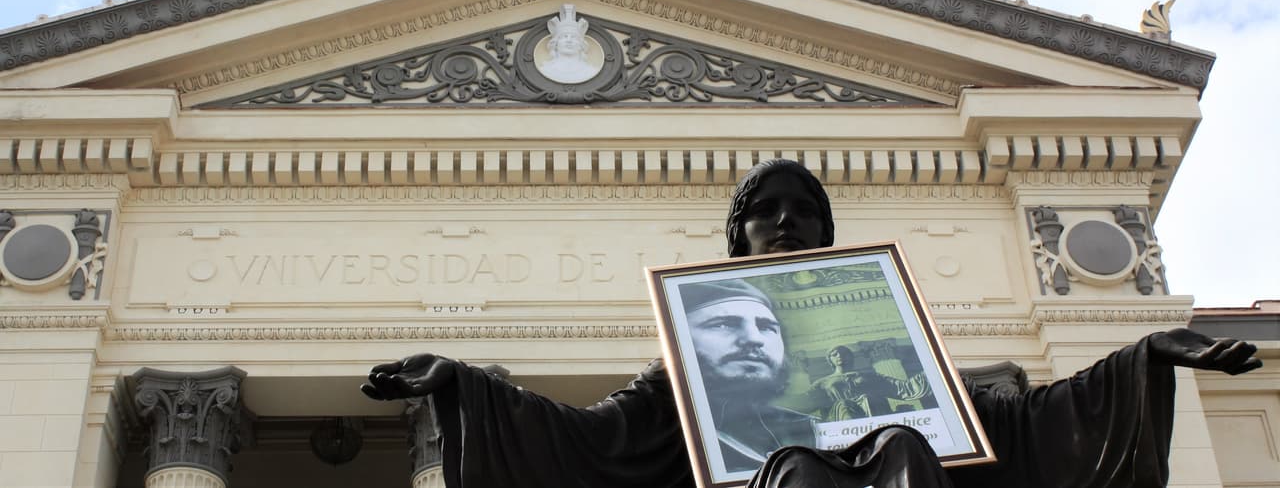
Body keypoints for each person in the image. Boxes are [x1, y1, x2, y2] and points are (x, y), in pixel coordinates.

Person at [363, 159, 1262, 488]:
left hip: (897, 468)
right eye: (767, 213)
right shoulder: (689, 369)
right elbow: (591, 442)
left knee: (908, 449)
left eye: (803, 212)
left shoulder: (890, 348)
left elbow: (1018, 429)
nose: (786, 222)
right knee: (789, 470)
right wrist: (465, 383)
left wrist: (1145, 350)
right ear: (738, 239)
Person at [682, 278, 817, 471]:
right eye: (723, 325)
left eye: (766, 327)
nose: (755, 339)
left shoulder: (809, 431)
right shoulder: (658, 435)